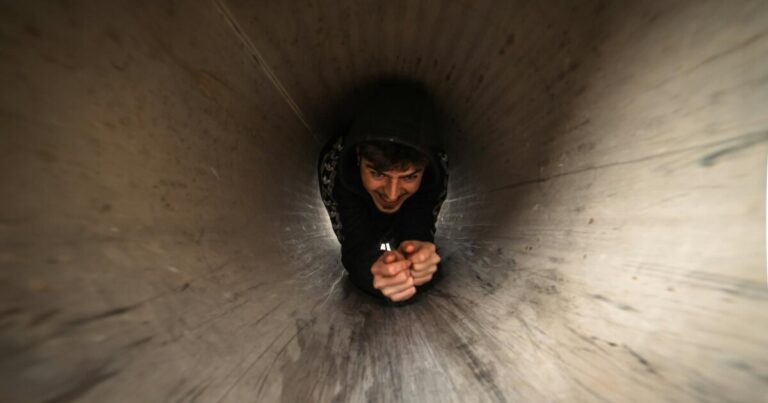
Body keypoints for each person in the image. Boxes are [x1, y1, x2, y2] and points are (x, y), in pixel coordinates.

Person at [317, 81, 449, 303]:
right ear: (358, 157)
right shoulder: (336, 167)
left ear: (425, 167)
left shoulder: (435, 170)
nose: (392, 194)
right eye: (378, 174)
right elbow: (354, 240)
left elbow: (419, 223)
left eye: (409, 177)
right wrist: (373, 270)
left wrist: (418, 260)